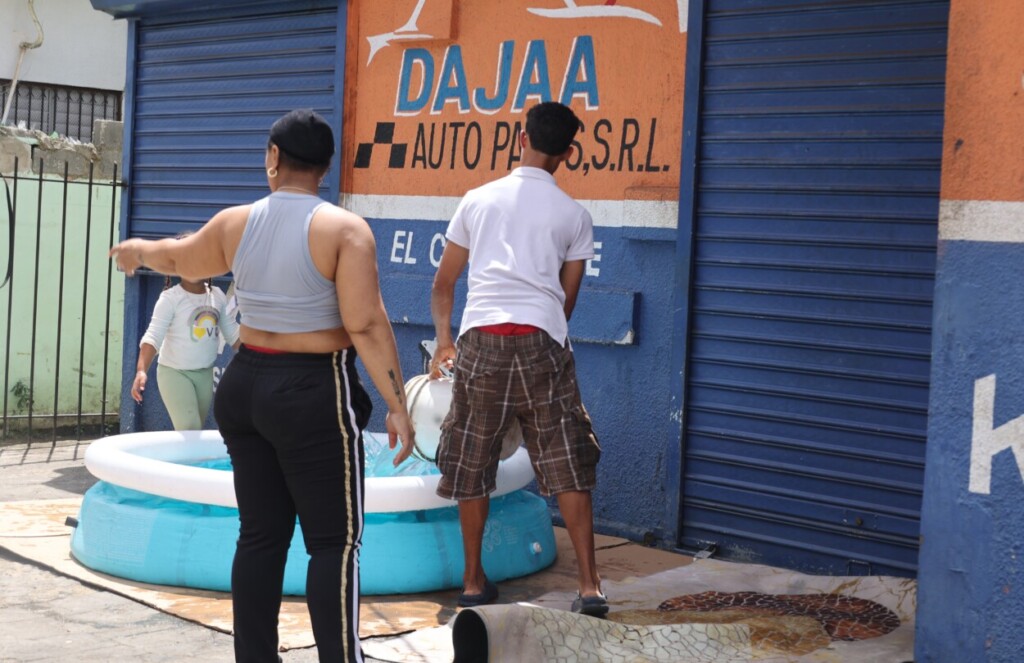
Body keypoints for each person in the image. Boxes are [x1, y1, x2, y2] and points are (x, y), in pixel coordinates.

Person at [111, 108, 416, 663]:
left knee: (260, 536)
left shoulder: (235, 222)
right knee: (333, 544)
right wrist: (397, 405)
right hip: (313, 388)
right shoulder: (345, 230)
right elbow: (366, 323)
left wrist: (137, 250)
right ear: (327, 167)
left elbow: (179, 256)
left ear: (273, 157)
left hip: (245, 382)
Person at [429, 101, 607, 617]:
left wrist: (445, 341)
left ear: (520, 137)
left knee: (472, 454)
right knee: (567, 458)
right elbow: (566, 300)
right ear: (568, 154)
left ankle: (471, 581)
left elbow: (444, 284)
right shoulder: (575, 215)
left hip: (480, 340)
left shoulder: (477, 200)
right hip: (542, 340)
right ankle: (591, 586)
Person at [132, 272, 240, 430]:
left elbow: (233, 334)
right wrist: (141, 371)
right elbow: (153, 336)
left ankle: (181, 455)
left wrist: (259, 355)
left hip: (205, 374)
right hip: (175, 373)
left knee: (193, 432)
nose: (193, 265)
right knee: (190, 427)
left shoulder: (217, 296)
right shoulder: (170, 298)